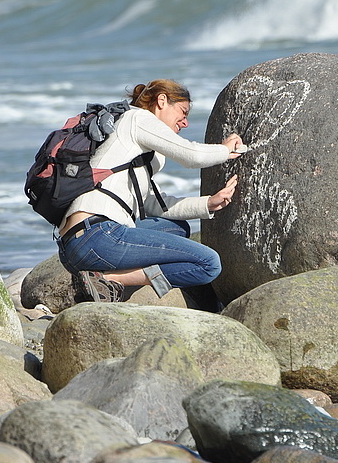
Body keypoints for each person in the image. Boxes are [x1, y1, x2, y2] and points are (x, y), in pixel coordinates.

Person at [55, 79, 243, 312]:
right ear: (162, 100)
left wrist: (208, 204)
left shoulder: (134, 144)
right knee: (208, 263)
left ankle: (98, 276)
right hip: (98, 236)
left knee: (177, 228)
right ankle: (111, 280)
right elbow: (191, 155)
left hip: (73, 244)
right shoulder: (137, 119)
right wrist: (225, 149)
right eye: (183, 112)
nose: (185, 122)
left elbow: (152, 203)